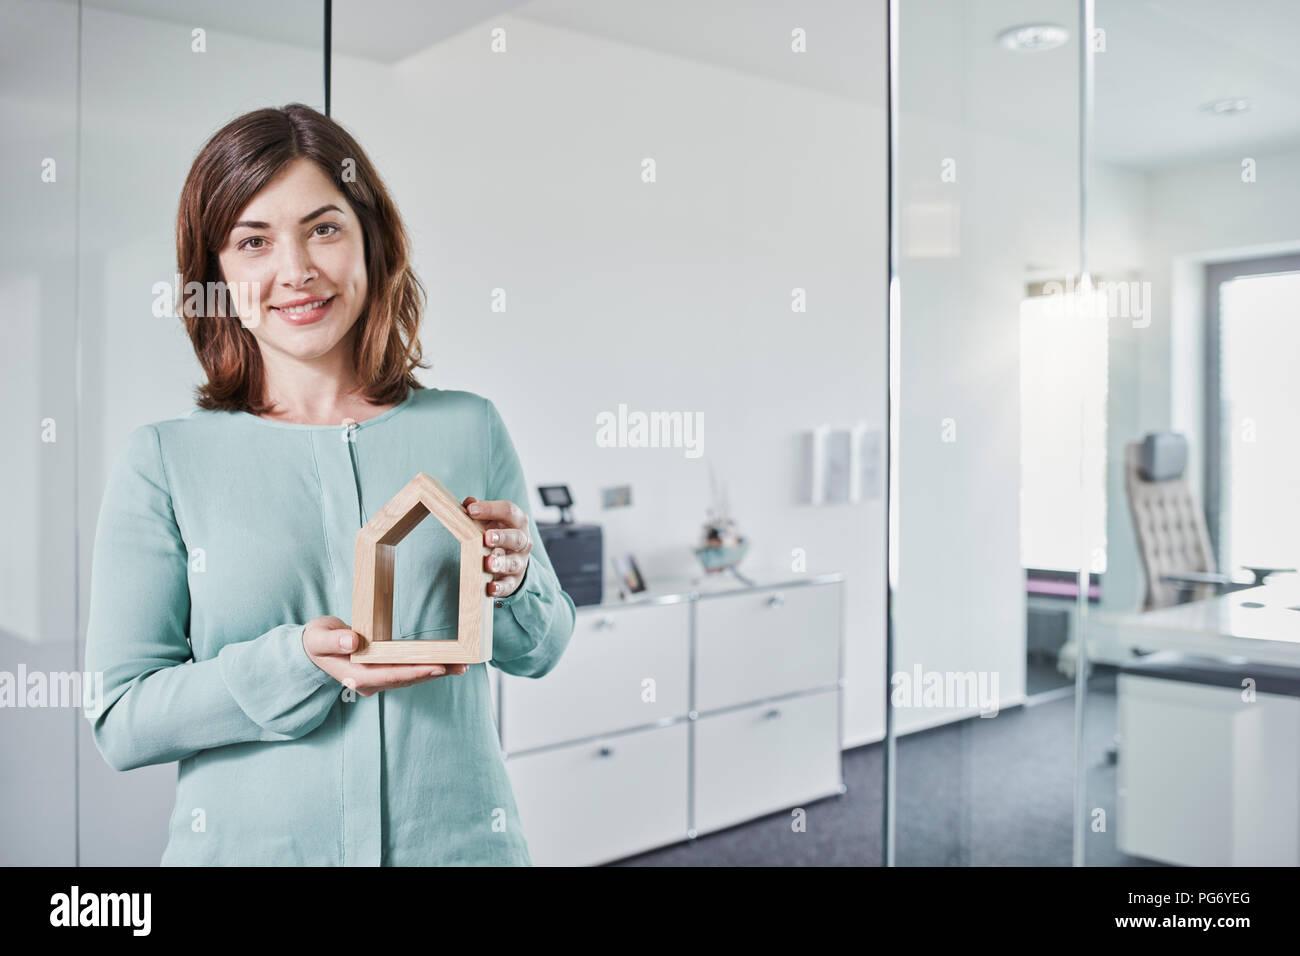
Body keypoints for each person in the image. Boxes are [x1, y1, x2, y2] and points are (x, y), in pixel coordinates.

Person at [83, 103, 576, 865]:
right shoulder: (163, 460)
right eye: (253, 241)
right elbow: (122, 719)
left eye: (324, 228)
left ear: (370, 241)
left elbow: (540, 651)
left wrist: (516, 590)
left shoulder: (469, 428)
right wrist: (294, 666)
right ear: (215, 273)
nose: (297, 270)